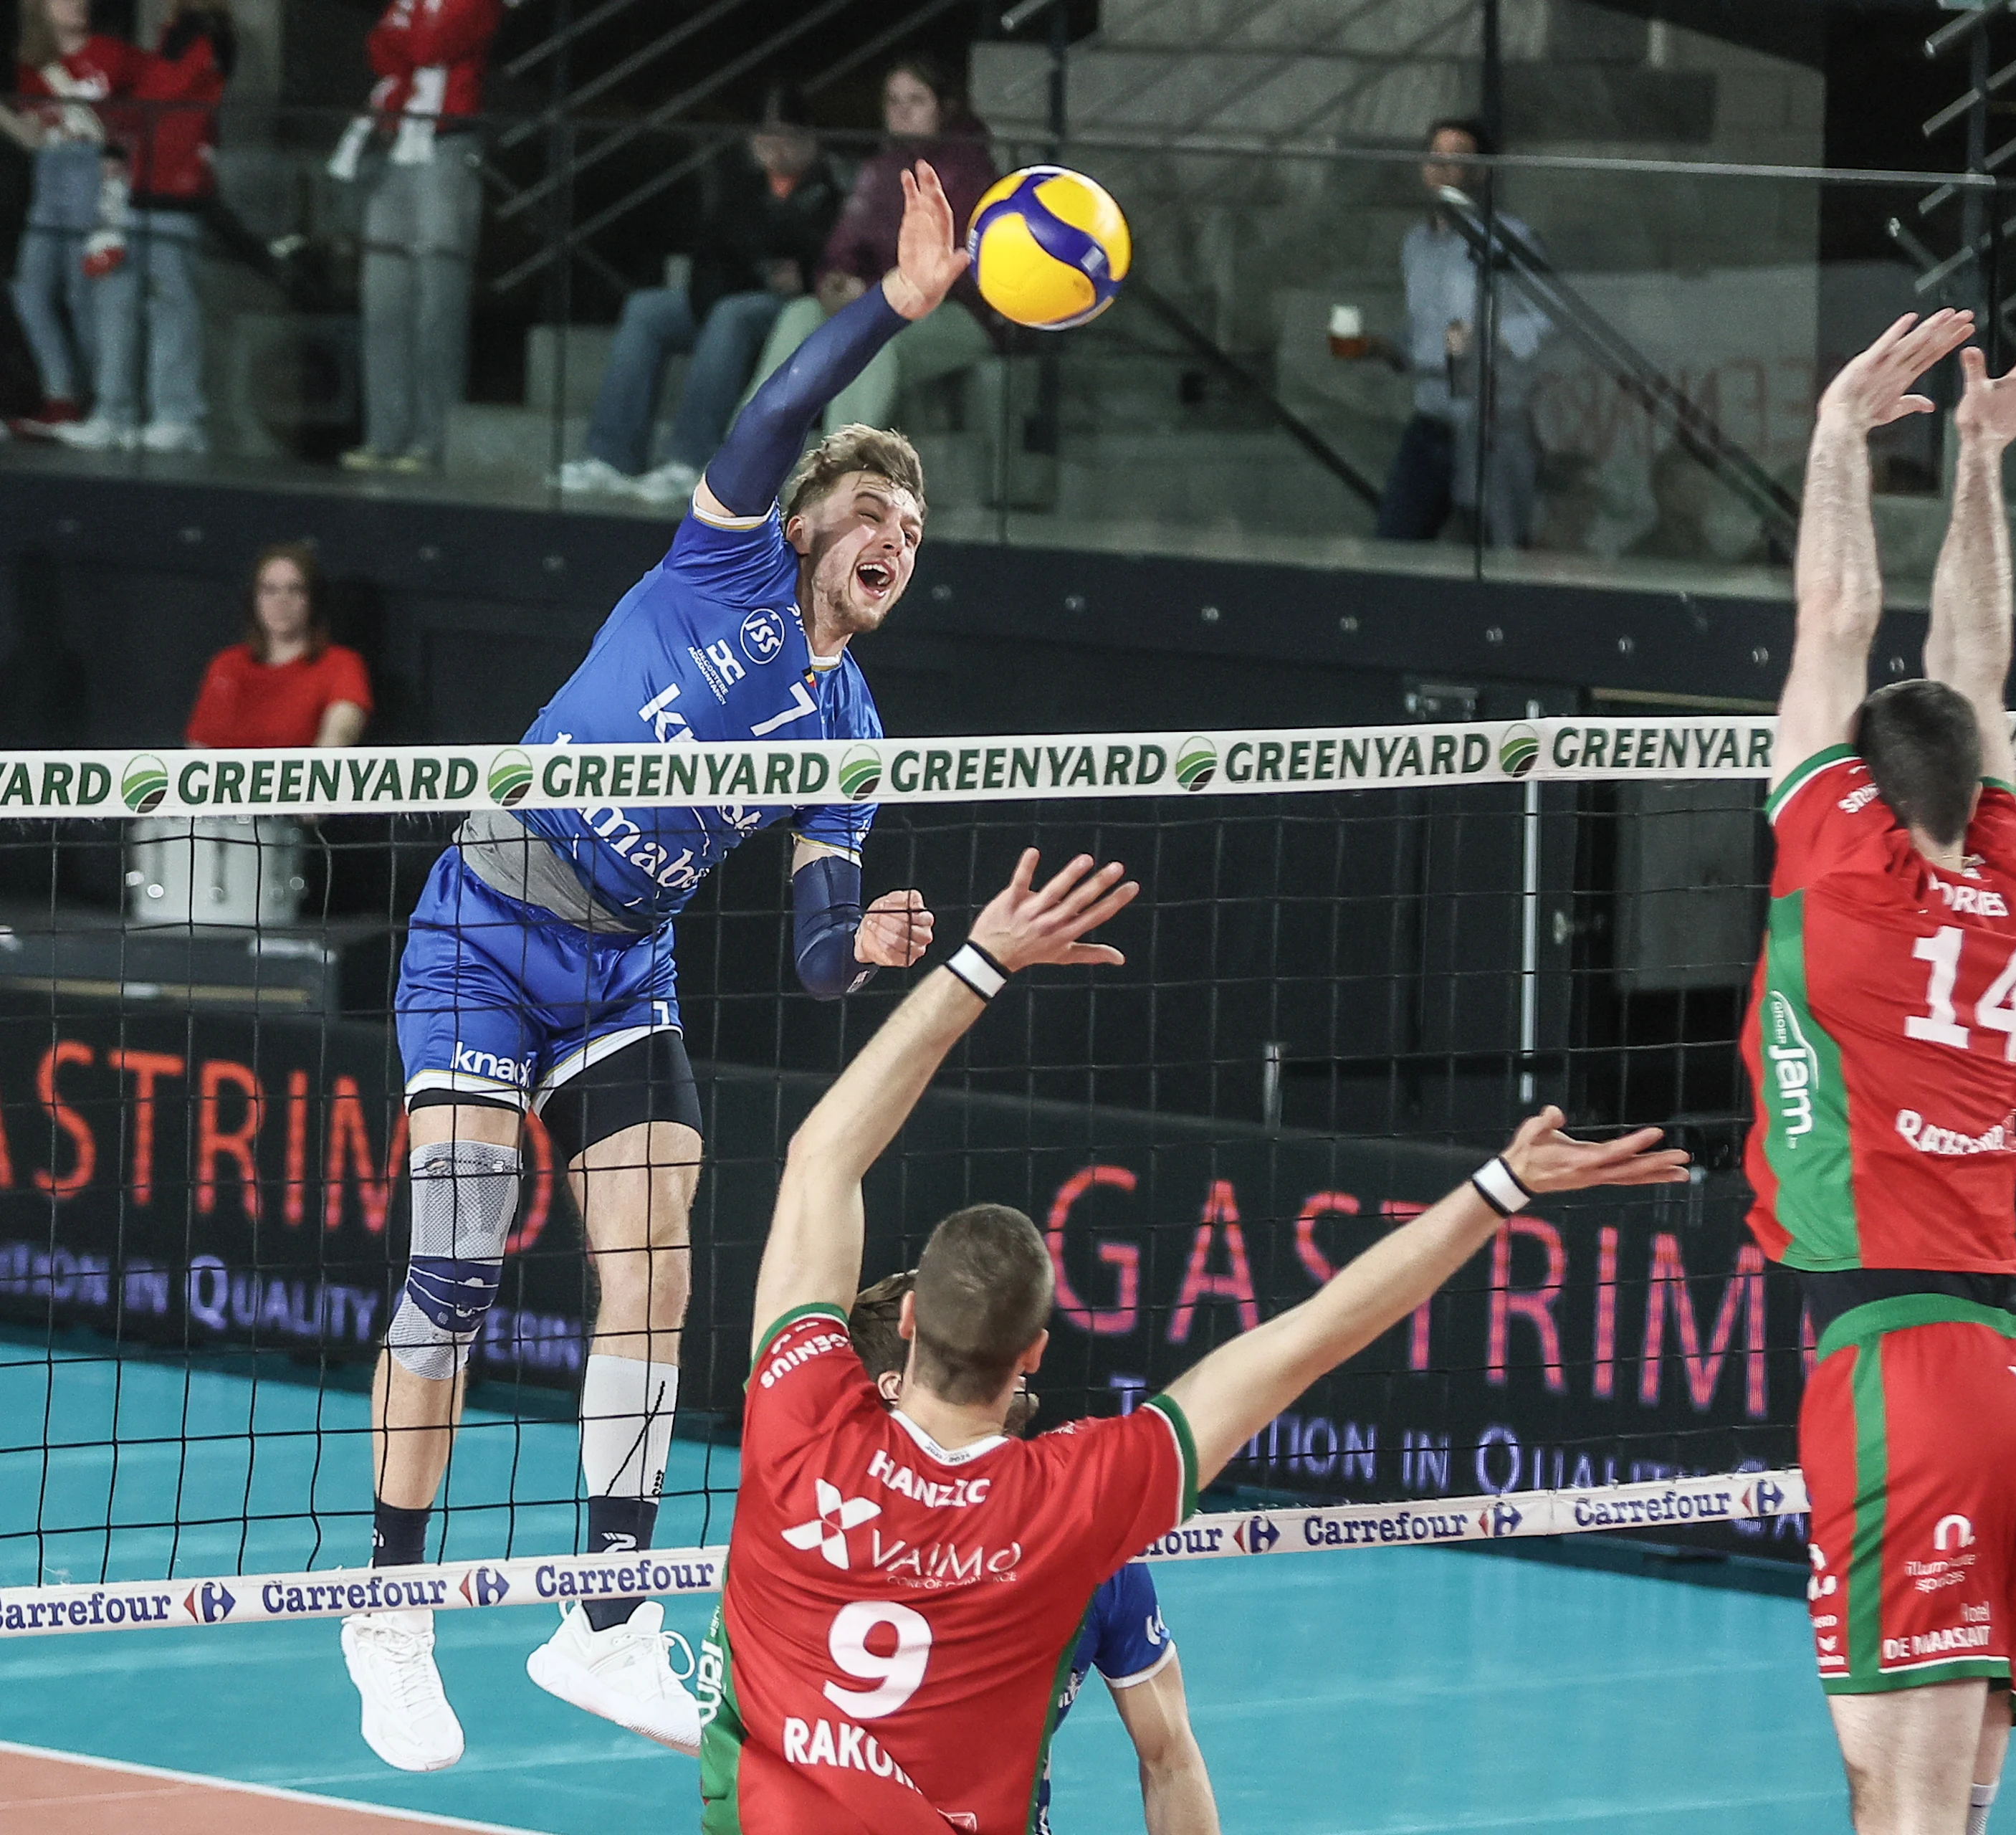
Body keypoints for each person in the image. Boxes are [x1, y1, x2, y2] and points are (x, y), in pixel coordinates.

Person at [337, 164, 976, 1772]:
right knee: (462, 1256)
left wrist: (873, 941)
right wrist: (896, 306)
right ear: (814, 520)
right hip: (489, 925)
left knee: (662, 1257)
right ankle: (389, 1606)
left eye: (915, 526)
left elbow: (821, 955)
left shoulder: (852, 737)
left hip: (625, 971)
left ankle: (606, 1609)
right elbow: (781, 398)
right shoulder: (726, 562)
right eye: (875, 510)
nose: (894, 534)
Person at [697, 849, 1682, 1834]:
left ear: (903, 1325)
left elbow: (824, 1155)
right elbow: (1311, 1339)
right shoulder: (1071, 1509)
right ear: (1035, 1350)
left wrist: (984, 960)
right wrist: (1500, 1189)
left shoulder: (801, 1419)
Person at [1746, 307, 2016, 1835]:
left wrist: (1838, 432)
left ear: (1862, 793)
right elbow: (1976, 661)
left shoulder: (1842, 877)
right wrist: (1978, 458)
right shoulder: (2009, 872)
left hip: (1902, 1372)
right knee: (1925, 1801)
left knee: (1900, 1810)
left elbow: (1835, 620)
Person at [837, 1276, 1222, 1835]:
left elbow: (1170, 1758)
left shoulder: (1084, 1531)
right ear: (897, 1384)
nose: (1007, 1355)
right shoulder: (824, 1540)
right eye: (967, 1351)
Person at [555, 83, 844, 504]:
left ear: (809, 138)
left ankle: (692, 460)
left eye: (783, 133)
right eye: (763, 133)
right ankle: (611, 456)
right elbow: (713, 245)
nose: (771, 145)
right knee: (647, 309)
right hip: (733, 291)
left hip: (793, 306)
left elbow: (820, 251)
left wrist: (776, 256)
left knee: (731, 316)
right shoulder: (741, 181)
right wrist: (755, 252)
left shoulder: (831, 183)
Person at [743, 60, 996, 442]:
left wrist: (875, 293)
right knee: (801, 315)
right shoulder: (880, 168)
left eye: (916, 100)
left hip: (957, 312)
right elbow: (844, 245)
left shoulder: (969, 170)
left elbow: (952, 270)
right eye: (893, 100)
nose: (902, 111)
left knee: (870, 340)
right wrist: (833, 280)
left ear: (944, 107)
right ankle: (741, 468)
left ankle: (835, 478)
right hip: (880, 299)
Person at [1354, 117, 1550, 551]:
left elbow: (1550, 321)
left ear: (1480, 172)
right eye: (1435, 158)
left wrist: (1488, 335)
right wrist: (1384, 347)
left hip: (1491, 427)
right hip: (1430, 424)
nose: (1443, 169)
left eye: (1457, 159)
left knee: (1506, 556)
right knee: (1394, 549)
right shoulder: (1415, 244)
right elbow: (1425, 332)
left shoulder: (1510, 239)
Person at [329, 0, 505, 474]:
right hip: (395, 145)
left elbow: (430, 44)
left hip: (446, 148)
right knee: (383, 301)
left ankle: (431, 441)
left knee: (436, 308)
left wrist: (407, 30)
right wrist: (406, 33)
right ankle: (384, 437)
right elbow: (380, 51)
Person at [59, 0, 232, 454]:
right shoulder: (171, 32)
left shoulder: (205, 32)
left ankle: (177, 416)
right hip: (139, 184)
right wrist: (118, 137)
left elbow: (169, 95)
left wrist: (121, 118)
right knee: (115, 301)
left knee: (169, 307)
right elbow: (152, 101)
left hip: (175, 190)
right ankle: (113, 411)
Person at [3, 0, 131, 435]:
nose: (78, 3)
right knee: (29, 290)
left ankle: (93, 398)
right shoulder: (30, 63)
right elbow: (32, 135)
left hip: (93, 178)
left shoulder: (115, 54)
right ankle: (61, 394)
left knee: (85, 295)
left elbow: (139, 115)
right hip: (49, 175)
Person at [184, 543, 371, 748]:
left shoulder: (340, 664)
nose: (282, 600)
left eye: (295, 589)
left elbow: (336, 742)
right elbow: (199, 749)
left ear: (312, 599)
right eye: (270, 590)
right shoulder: (227, 664)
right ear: (254, 599)